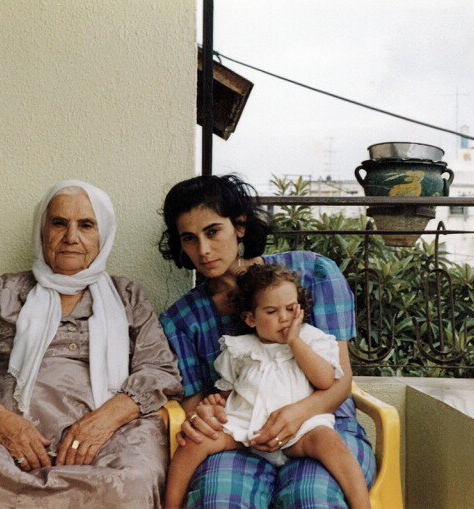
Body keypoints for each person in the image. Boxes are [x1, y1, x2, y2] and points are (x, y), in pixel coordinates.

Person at [0, 180, 183, 508]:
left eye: (86, 225)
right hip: (1, 440)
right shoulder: (6, 291)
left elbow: (159, 370)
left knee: (130, 483)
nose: (71, 237)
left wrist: (106, 419)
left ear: (104, 234)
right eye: (59, 223)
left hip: (107, 439)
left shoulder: (128, 297)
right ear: (42, 231)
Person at [158, 174, 376, 508]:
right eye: (189, 238)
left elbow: (340, 380)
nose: (202, 250)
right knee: (218, 497)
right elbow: (196, 404)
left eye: (213, 231)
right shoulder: (182, 320)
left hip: (323, 422)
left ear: (240, 226)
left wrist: (298, 413)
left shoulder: (313, 274)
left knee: (313, 496)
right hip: (242, 429)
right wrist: (207, 410)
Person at [165, 264, 371, 509]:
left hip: (301, 430)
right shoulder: (238, 349)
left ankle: (362, 505)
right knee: (194, 443)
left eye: (290, 309)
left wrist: (294, 341)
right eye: (272, 311)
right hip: (245, 428)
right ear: (250, 318)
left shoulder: (311, 339)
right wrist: (214, 404)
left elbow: (325, 381)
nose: (284, 318)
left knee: (331, 443)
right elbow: (226, 391)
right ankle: (171, 504)